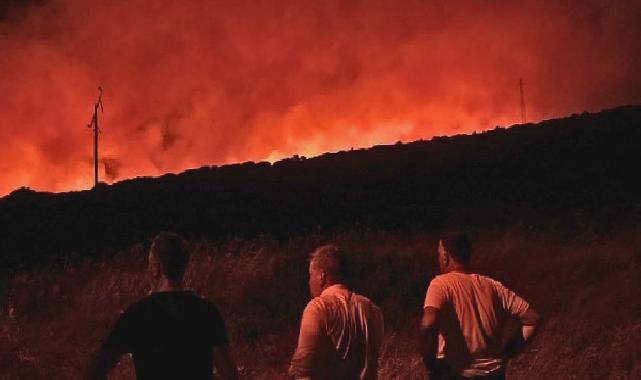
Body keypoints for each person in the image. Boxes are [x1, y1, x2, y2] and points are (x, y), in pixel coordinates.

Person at [85, 232, 239, 380]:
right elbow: (230, 375)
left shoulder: (137, 314)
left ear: (155, 268)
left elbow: (94, 371)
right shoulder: (206, 311)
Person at [420, 233, 541, 380]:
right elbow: (533, 318)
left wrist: (430, 363)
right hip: (494, 374)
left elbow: (428, 323)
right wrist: (509, 351)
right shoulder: (494, 286)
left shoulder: (440, 284)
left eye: (439, 254)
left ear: (445, 256)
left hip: (456, 373)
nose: (438, 259)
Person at [289, 244, 384, 380]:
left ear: (321, 276)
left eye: (311, 275)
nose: (309, 282)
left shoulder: (318, 308)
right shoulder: (373, 310)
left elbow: (303, 368)